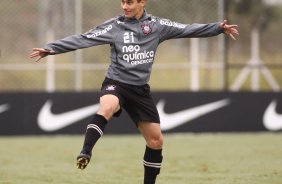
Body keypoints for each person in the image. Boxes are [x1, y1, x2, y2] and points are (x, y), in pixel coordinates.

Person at [30, 0, 239, 183]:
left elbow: (187, 29)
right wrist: (52, 48)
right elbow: (85, 38)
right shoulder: (114, 26)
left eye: (129, 2)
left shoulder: (157, 26)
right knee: (107, 106)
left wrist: (218, 28)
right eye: (122, 2)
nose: (124, 6)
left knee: (156, 141)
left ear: (142, 2)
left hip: (140, 90)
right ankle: (86, 151)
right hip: (116, 83)